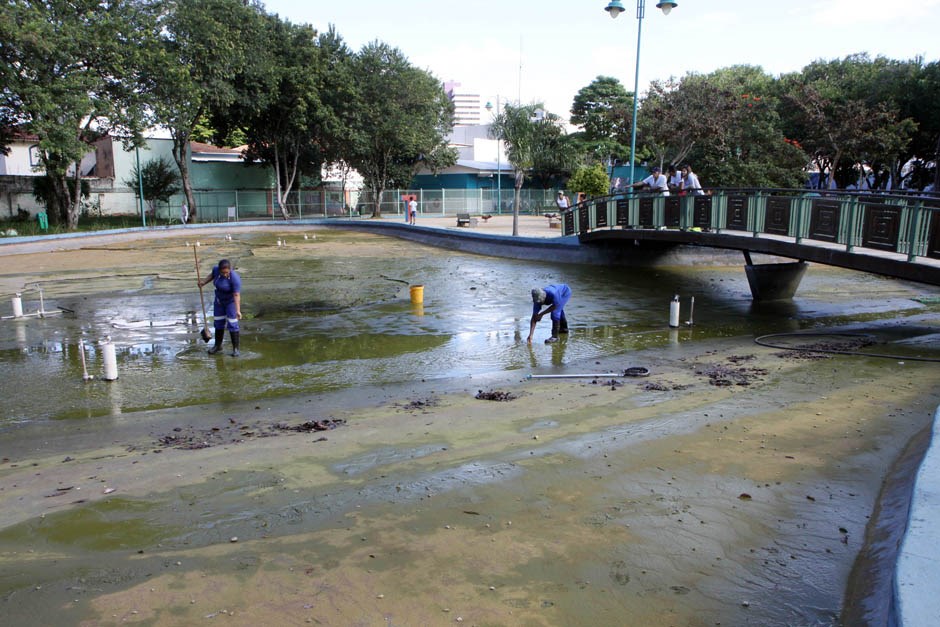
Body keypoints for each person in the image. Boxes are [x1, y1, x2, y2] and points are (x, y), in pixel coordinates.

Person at [199, 258, 242, 356]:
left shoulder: (235, 279)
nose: (225, 275)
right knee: (218, 322)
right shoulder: (216, 270)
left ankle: (235, 349)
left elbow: (236, 295)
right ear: (219, 270)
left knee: (232, 323)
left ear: (230, 269)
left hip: (231, 302)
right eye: (222, 273)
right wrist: (203, 282)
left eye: (226, 273)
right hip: (219, 301)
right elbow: (212, 275)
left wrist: (238, 310)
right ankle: (218, 346)